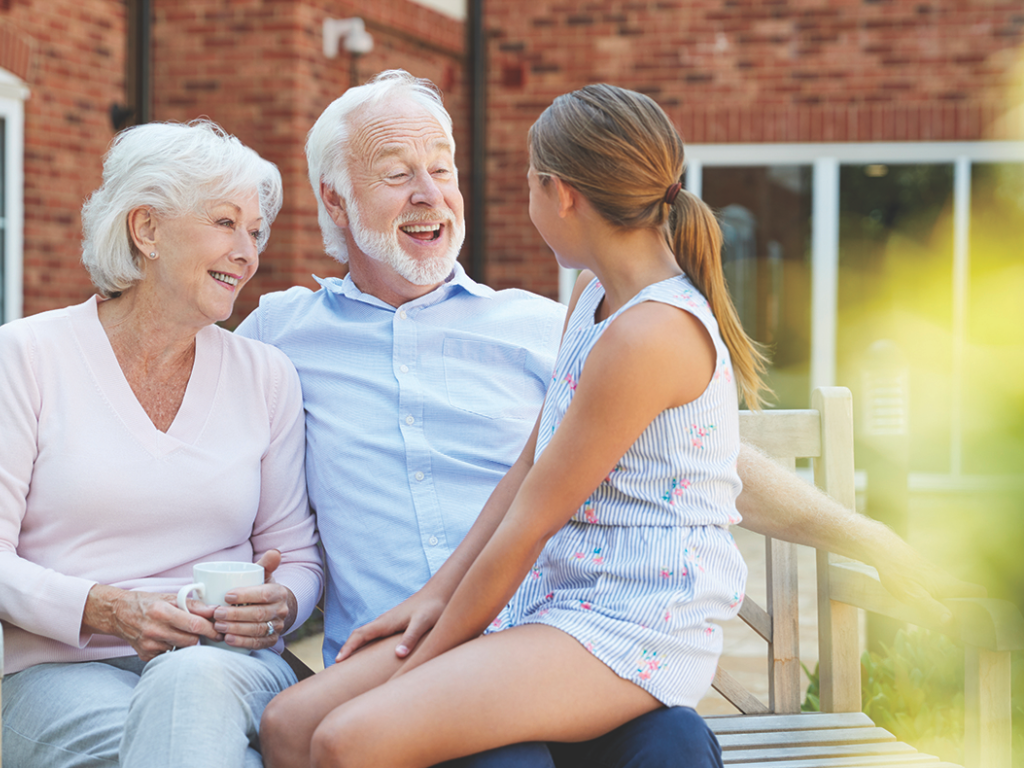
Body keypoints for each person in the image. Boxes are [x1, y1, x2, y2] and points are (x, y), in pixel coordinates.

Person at [245, 71, 978, 767]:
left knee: (357, 739)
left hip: (604, 628)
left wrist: (866, 536)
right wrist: (430, 607)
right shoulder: (285, 333)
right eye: (399, 173)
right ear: (335, 202)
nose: (432, 194)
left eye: (444, 169)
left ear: (559, 194)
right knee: (289, 724)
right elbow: (538, 467)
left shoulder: (610, 329)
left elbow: (655, 480)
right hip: (526, 616)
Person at [0, 120, 324, 768]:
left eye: (254, 231)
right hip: (56, 671)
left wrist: (281, 604)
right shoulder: (25, 357)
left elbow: (298, 556)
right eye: (225, 223)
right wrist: (109, 609)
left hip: (228, 667)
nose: (247, 251)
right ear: (146, 229)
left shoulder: (266, 376)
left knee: (188, 685)